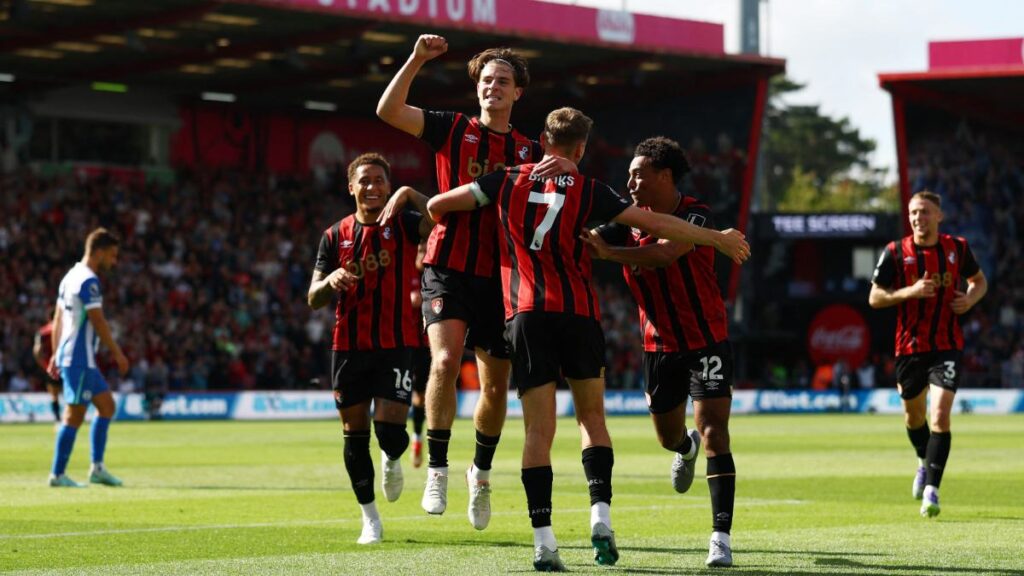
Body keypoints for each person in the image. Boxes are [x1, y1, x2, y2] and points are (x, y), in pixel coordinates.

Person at [427, 108, 749, 571]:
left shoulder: (503, 181)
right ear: (580, 150)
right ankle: (601, 515)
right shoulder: (592, 191)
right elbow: (657, 229)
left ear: (542, 140)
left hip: (529, 314)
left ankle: (546, 541)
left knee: (539, 430)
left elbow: (440, 206)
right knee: (593, 418)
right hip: (582, 315)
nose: (632, 181)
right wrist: (717, 239)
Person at [377, 33, 570, 528]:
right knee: (442, 360)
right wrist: (418, 58)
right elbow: (389, 110)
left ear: (517, 93)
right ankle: (437, 469)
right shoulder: (450, 128)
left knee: (495, 386)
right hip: (447, 266)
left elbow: (558, 200)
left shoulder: (530, 149)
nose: (493, 87)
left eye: (503, 81)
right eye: (486, 80)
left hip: (501, 277)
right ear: (477, 89)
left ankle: (479, 473)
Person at [581, 136, 739, 567]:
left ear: (664, 176)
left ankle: (720, 538)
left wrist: (609, 253)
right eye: (629, 174)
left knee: (715, 431)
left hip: (706, 339)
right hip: (658, 346)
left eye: (638, 174)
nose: (630, 182)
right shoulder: (624, 219)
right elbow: (586, 239)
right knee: (671, 437)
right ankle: (684, 450)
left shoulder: (695, 213)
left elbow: (666, 255)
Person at [308, 153, 435, 545]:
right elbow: (313, 297)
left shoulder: (405, 224)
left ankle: (393, 457)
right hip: (348, 347)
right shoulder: (334, 236)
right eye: (365, 180)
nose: (372, 187)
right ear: (352, 187)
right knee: (353, 433)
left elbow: (440, 223)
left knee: (390, 434)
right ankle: (370, 519)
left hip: (396, 343)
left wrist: (412, 195)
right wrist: (330, 279)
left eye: (380, 180)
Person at [869, 190, 987, 518]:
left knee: (940, 416)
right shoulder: (895, 252)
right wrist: (911, 291)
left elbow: (979, 281)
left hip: (947, 345)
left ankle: (932, 489)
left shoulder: (957, 248)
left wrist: (971, 299)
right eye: (913, 213)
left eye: (924, 212)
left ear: (939, 216)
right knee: (914, 417)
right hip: (909, 347)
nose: (918, 218)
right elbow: (874, 298)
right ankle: (923, 462)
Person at [48, 227, 129, 488]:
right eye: (112, 256)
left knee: (107, 407)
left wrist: (54, 352)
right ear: (99, 252)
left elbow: (58, 319)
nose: (114, 262)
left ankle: (97, 468)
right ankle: (57, 474)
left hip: (79, 359)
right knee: (74, 415)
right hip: (79, 359)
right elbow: (98, 319)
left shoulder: (69, 276)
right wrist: (117, 353)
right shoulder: (89, 281)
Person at [32, 313, 62, 427]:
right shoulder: (65, 329)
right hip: (66, 365)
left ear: (48, 317)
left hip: (50, 367)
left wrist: (44, 365)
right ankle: (71, 420)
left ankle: (58, 420)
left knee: (54, 395)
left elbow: (37, 350)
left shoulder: (43, 332)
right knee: (71, 393)